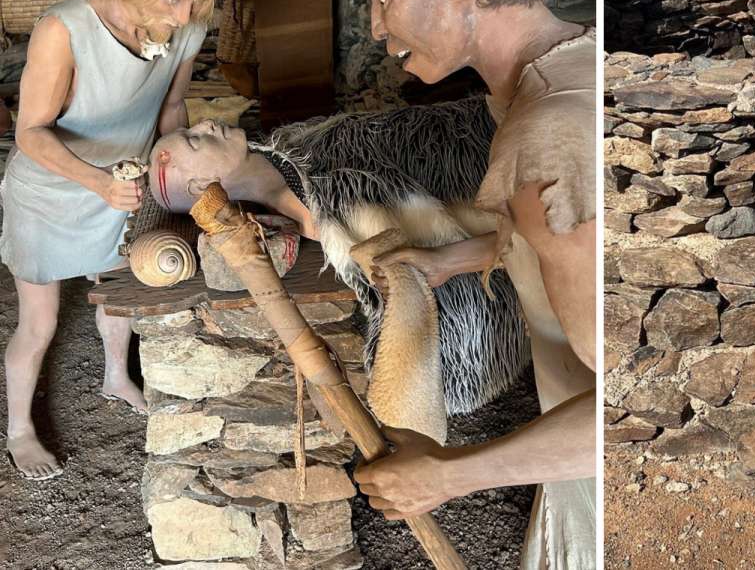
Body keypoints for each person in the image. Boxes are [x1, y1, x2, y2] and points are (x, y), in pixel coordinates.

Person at [336, 0, 597, 568]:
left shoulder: (546, 143)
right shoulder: (572, 67)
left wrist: (451, 475)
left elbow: (642, 407)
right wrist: (451, 258)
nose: (377, 28)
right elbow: (579, 248)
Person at [0, 0, 220, 480]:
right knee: (39, 321)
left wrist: (184, 175)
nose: (183, 16)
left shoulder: (184, 28)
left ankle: (116, 377)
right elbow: (30, 132)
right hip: (50, 191)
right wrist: (98, 182)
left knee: (119, 293)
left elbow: (171, 111)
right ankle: (20, 430)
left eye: (196, 2)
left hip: (124, 185)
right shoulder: (65, 29)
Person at [147, 99, 531, 417]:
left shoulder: (304, 149)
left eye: (194, 129)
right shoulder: (324, 203)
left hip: (491, 134)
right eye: (196, 139)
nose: (209, 124)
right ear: (201, 187)